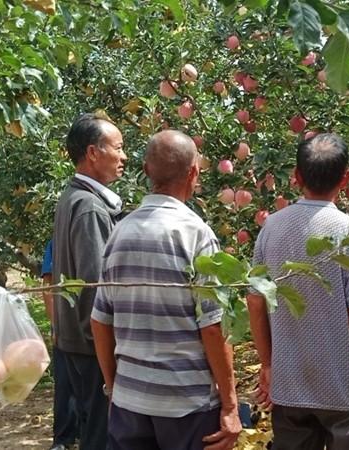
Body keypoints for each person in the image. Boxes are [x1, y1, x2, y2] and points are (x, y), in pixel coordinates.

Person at [90, 130, 240, 450]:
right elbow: (212, 328)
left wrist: (114, 386)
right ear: (194, 173)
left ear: (146, 171)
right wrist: (230, 406)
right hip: (185, 404)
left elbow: (100, 320)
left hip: (130, 403)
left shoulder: (119, 233)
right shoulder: (196, 235)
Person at [247, 133, 349, 450]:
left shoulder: (271, 228)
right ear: (346, 177)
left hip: (290, 382)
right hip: (342, 385)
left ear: (296, 177)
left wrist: (269, 366)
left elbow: (255, 302)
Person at [52, 113, 127, 449]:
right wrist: (108, 348)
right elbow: (96, 287)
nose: (124, 157)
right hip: (91, 345)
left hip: (76, 341)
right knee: (101, 433)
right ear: (93, 153)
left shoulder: (73, 196)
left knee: (92, 429)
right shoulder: (90, 208)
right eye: (118, 148)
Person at [41, 240, 80, 450]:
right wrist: (55, 324)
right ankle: (63, 439)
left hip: (91, 325)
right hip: (67, 325)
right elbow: (49, 283)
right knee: (65, 384)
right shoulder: (57, 242)